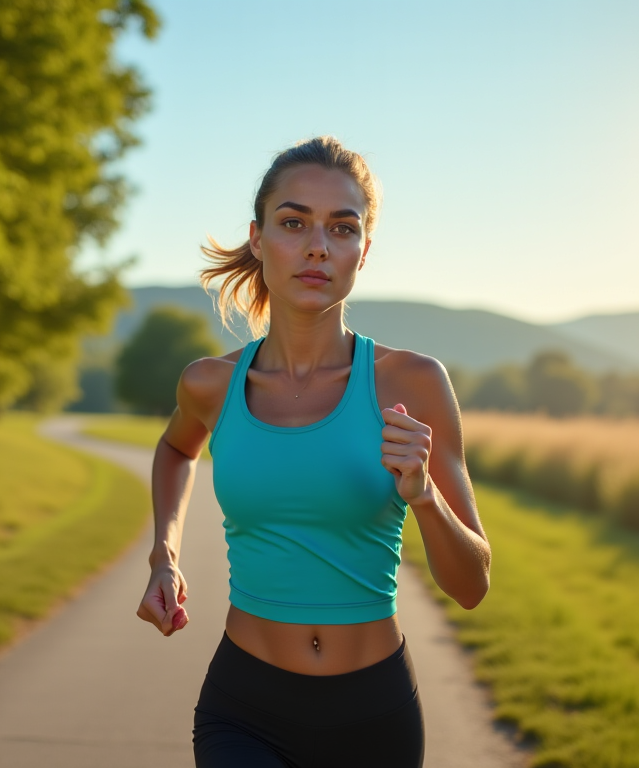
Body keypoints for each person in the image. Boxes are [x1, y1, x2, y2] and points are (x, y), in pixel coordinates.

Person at [136, 136, 492, 768]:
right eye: (294, 222)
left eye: (341, 228)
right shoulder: (209, 383)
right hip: (244, 708)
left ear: (364, 251)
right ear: (257, 237)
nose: (317, 246)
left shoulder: (412, 383)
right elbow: (174, 450)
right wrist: (165, 554)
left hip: (372, 716)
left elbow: (472, 585)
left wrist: (425, 497)